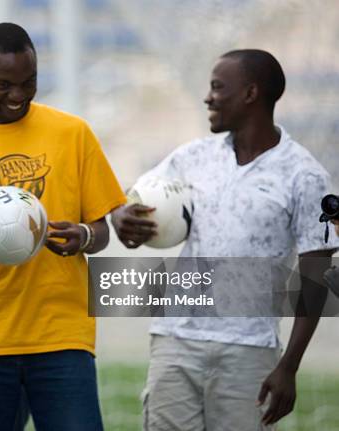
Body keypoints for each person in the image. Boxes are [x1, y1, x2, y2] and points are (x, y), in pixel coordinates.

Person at [112, 49, 338, 430]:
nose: (208, 97)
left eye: (218, 87)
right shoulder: (191, 157)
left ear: (251, 94)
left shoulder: (305, 175)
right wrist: (122, 218)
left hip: (249, 350)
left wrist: (289, 366)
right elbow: (131, 201)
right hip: (175, 341)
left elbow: (315, 275)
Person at [0, 22, 125, 431]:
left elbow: (100, 230)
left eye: (28, 82)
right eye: (3, 84)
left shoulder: (72, 133)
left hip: (62, 339)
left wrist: (81, 236)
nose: (17, 95)